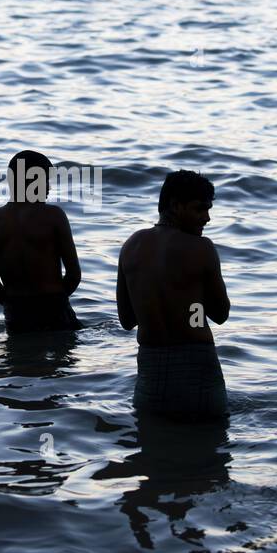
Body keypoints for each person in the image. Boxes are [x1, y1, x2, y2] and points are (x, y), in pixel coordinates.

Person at [117, 170, 230, 420]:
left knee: (152, 452)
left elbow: (126, 320)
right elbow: (221, 314)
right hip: (199, 372)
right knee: (208, 453)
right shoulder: (202, 248)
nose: (207, 218)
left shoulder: (131, 246)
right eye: (200, 209)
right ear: (175, 206)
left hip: (150, 378)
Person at [0, 150, 83, 335]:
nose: (49, 188)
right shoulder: (53, 216)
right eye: (46, 181)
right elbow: (74, 275)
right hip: (55, 312)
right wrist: (54, 302)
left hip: (16, 316)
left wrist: (17, 306)